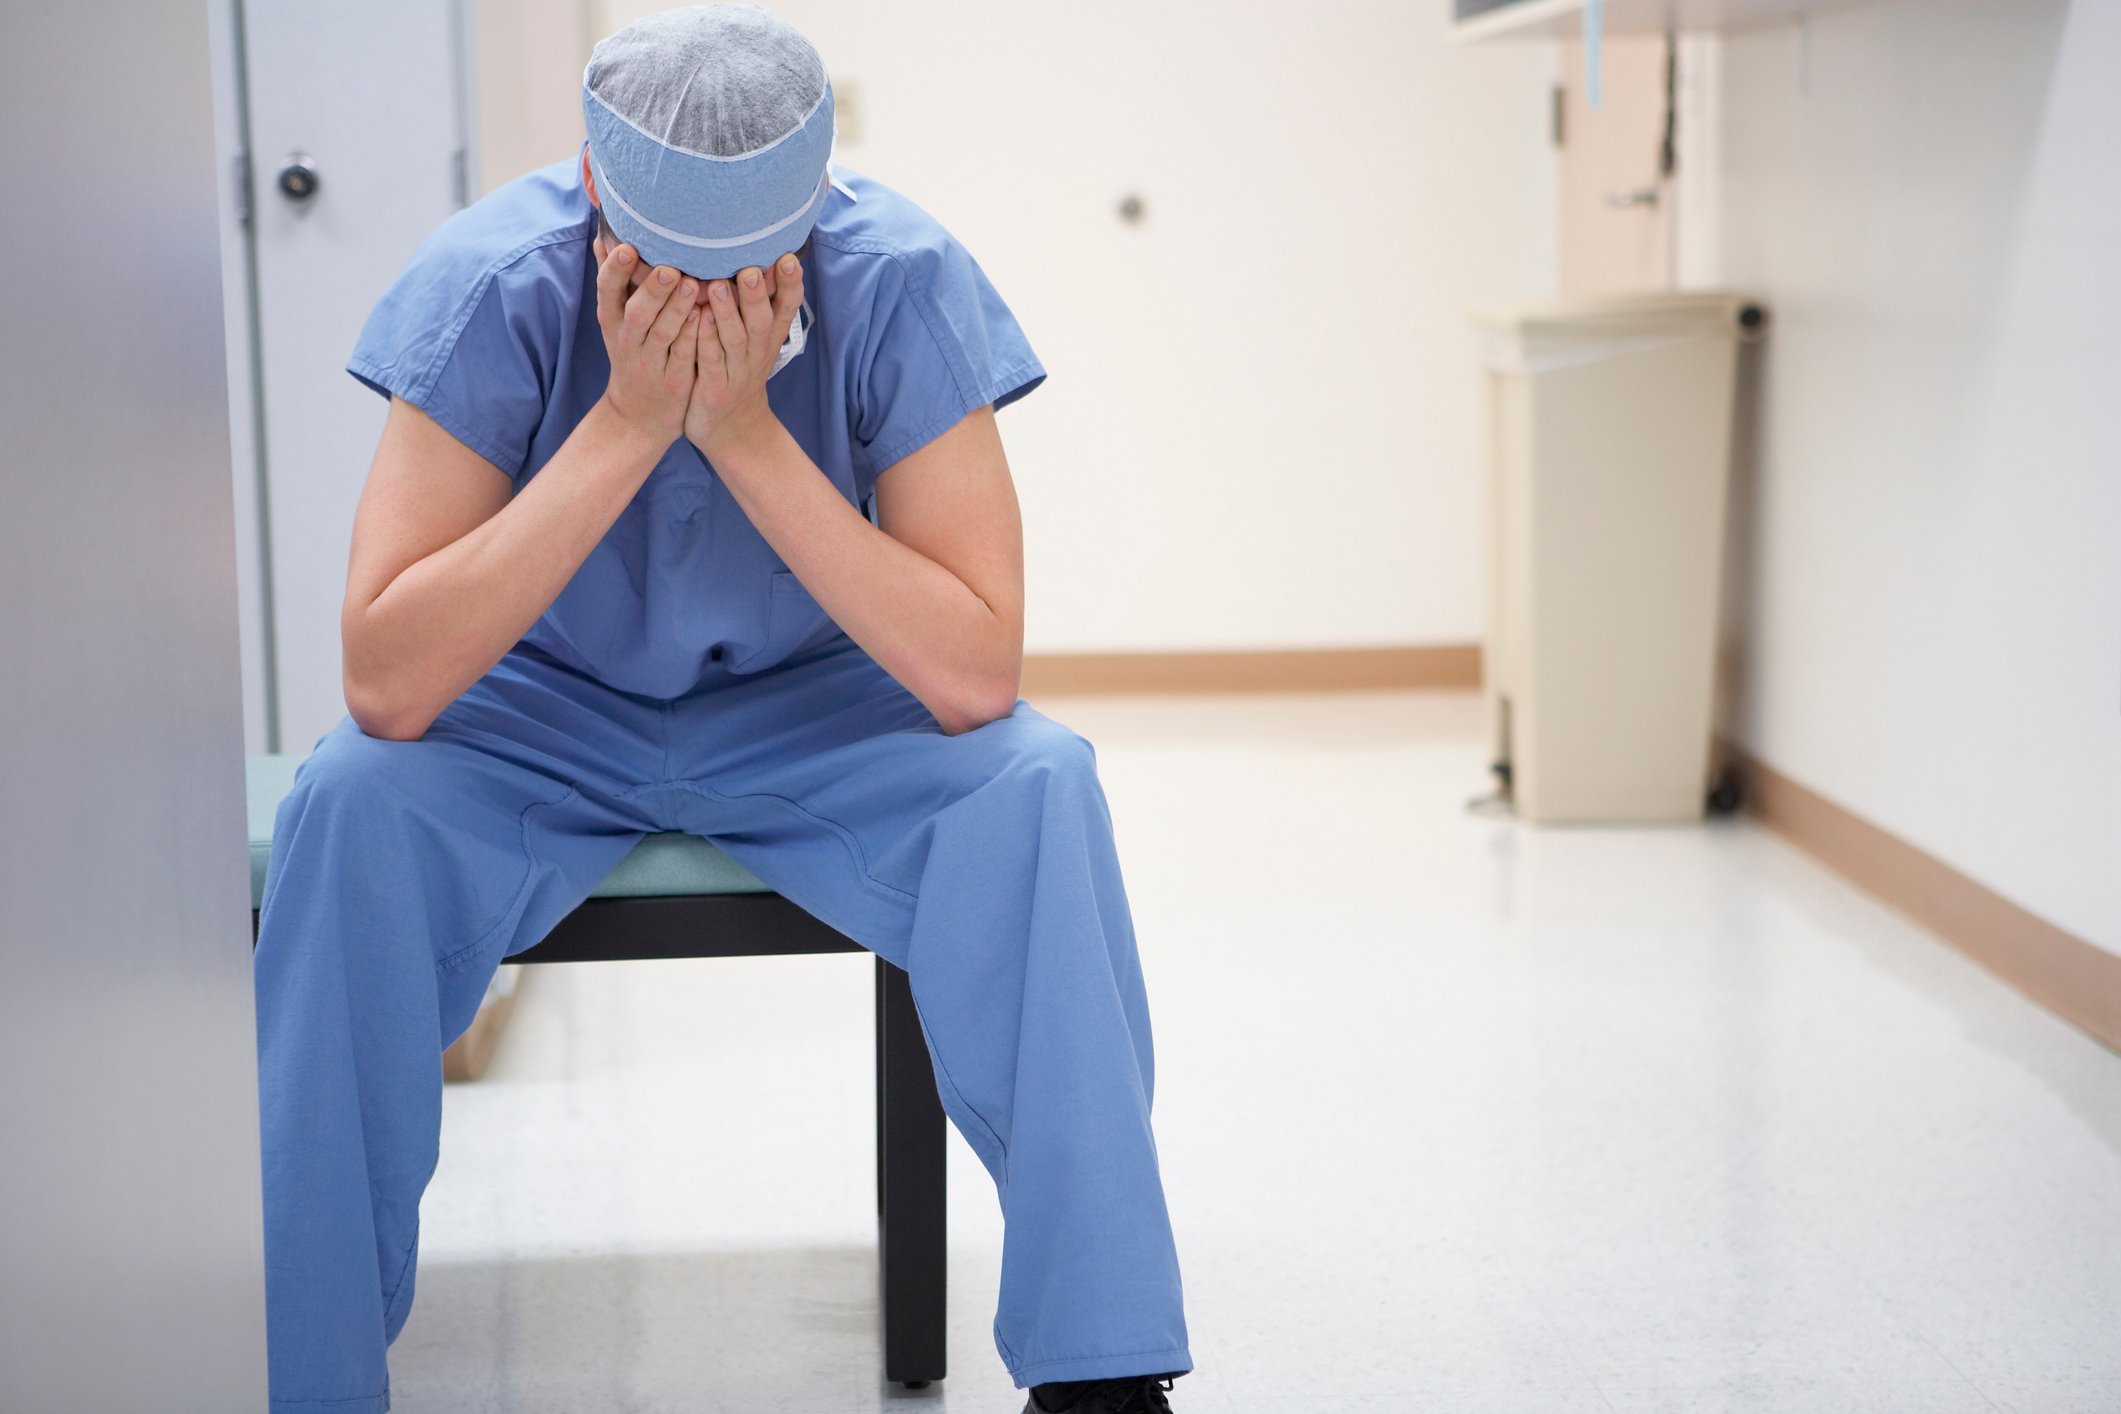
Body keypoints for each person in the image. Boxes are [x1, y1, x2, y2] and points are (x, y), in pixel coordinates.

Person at [248, 5, 1190, 1412]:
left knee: (1038, 784)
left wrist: (744, 432)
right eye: (666, 264)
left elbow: (974, 670)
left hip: (822, 706)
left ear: (814, 201)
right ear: (592, 184)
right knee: (346, 806)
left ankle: (1102, 1370)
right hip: (534, 711)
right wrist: (629, 422)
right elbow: (385, 678)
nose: (705, 301)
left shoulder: (900, 279)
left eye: (750, 268)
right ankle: (304, 1377)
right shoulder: (494, 283)